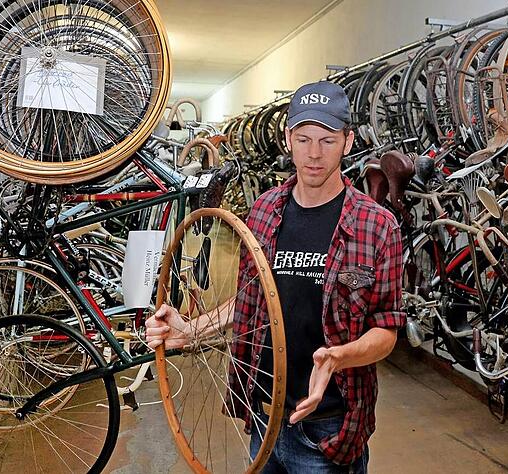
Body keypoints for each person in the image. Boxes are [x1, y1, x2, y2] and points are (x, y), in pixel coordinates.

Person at [145, 81, 405, 473]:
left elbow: (386, 331)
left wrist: (338, 357)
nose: (314, 154)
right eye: (303, 139)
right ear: (287, 139)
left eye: (328, 140)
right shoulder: (265, 210)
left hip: (329, 429)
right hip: (263, 417)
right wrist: (192, 329)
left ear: (348, 142)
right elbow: (251, 299)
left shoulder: (377, 225)